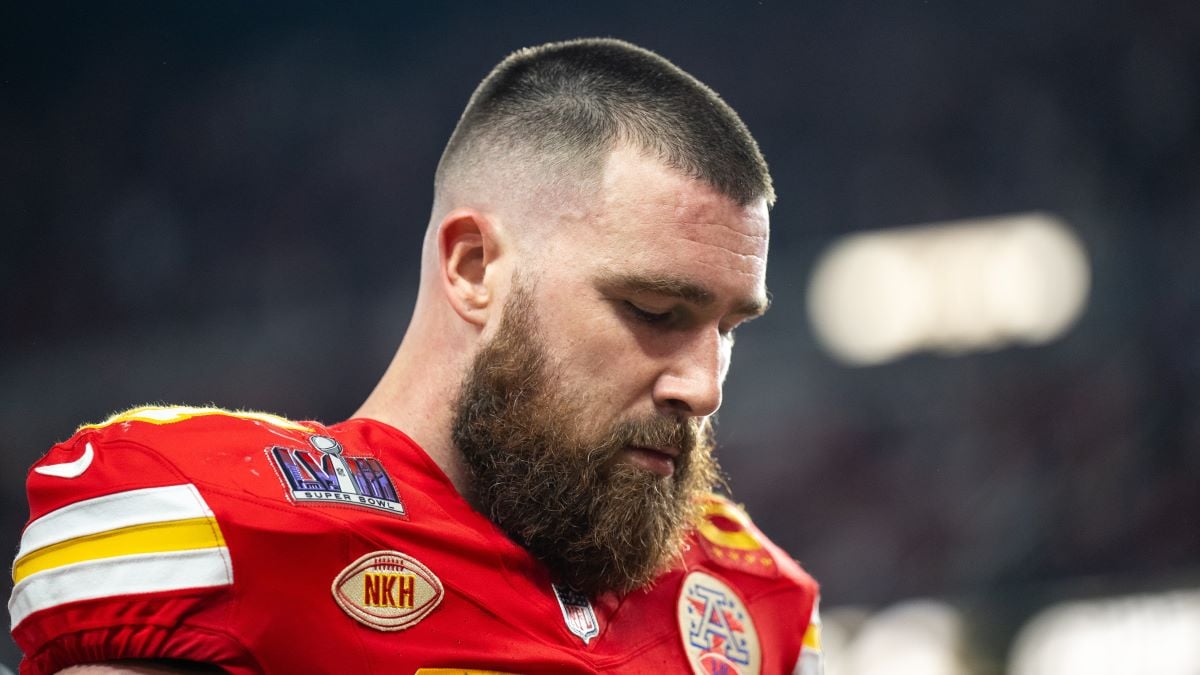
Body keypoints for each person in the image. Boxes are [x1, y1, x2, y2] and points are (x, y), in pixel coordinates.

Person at [9, 38, 822, 675]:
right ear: (473, 267)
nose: (705, 385)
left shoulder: (750, 598)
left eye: (728, 329)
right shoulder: (224, 530)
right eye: (653, 310)